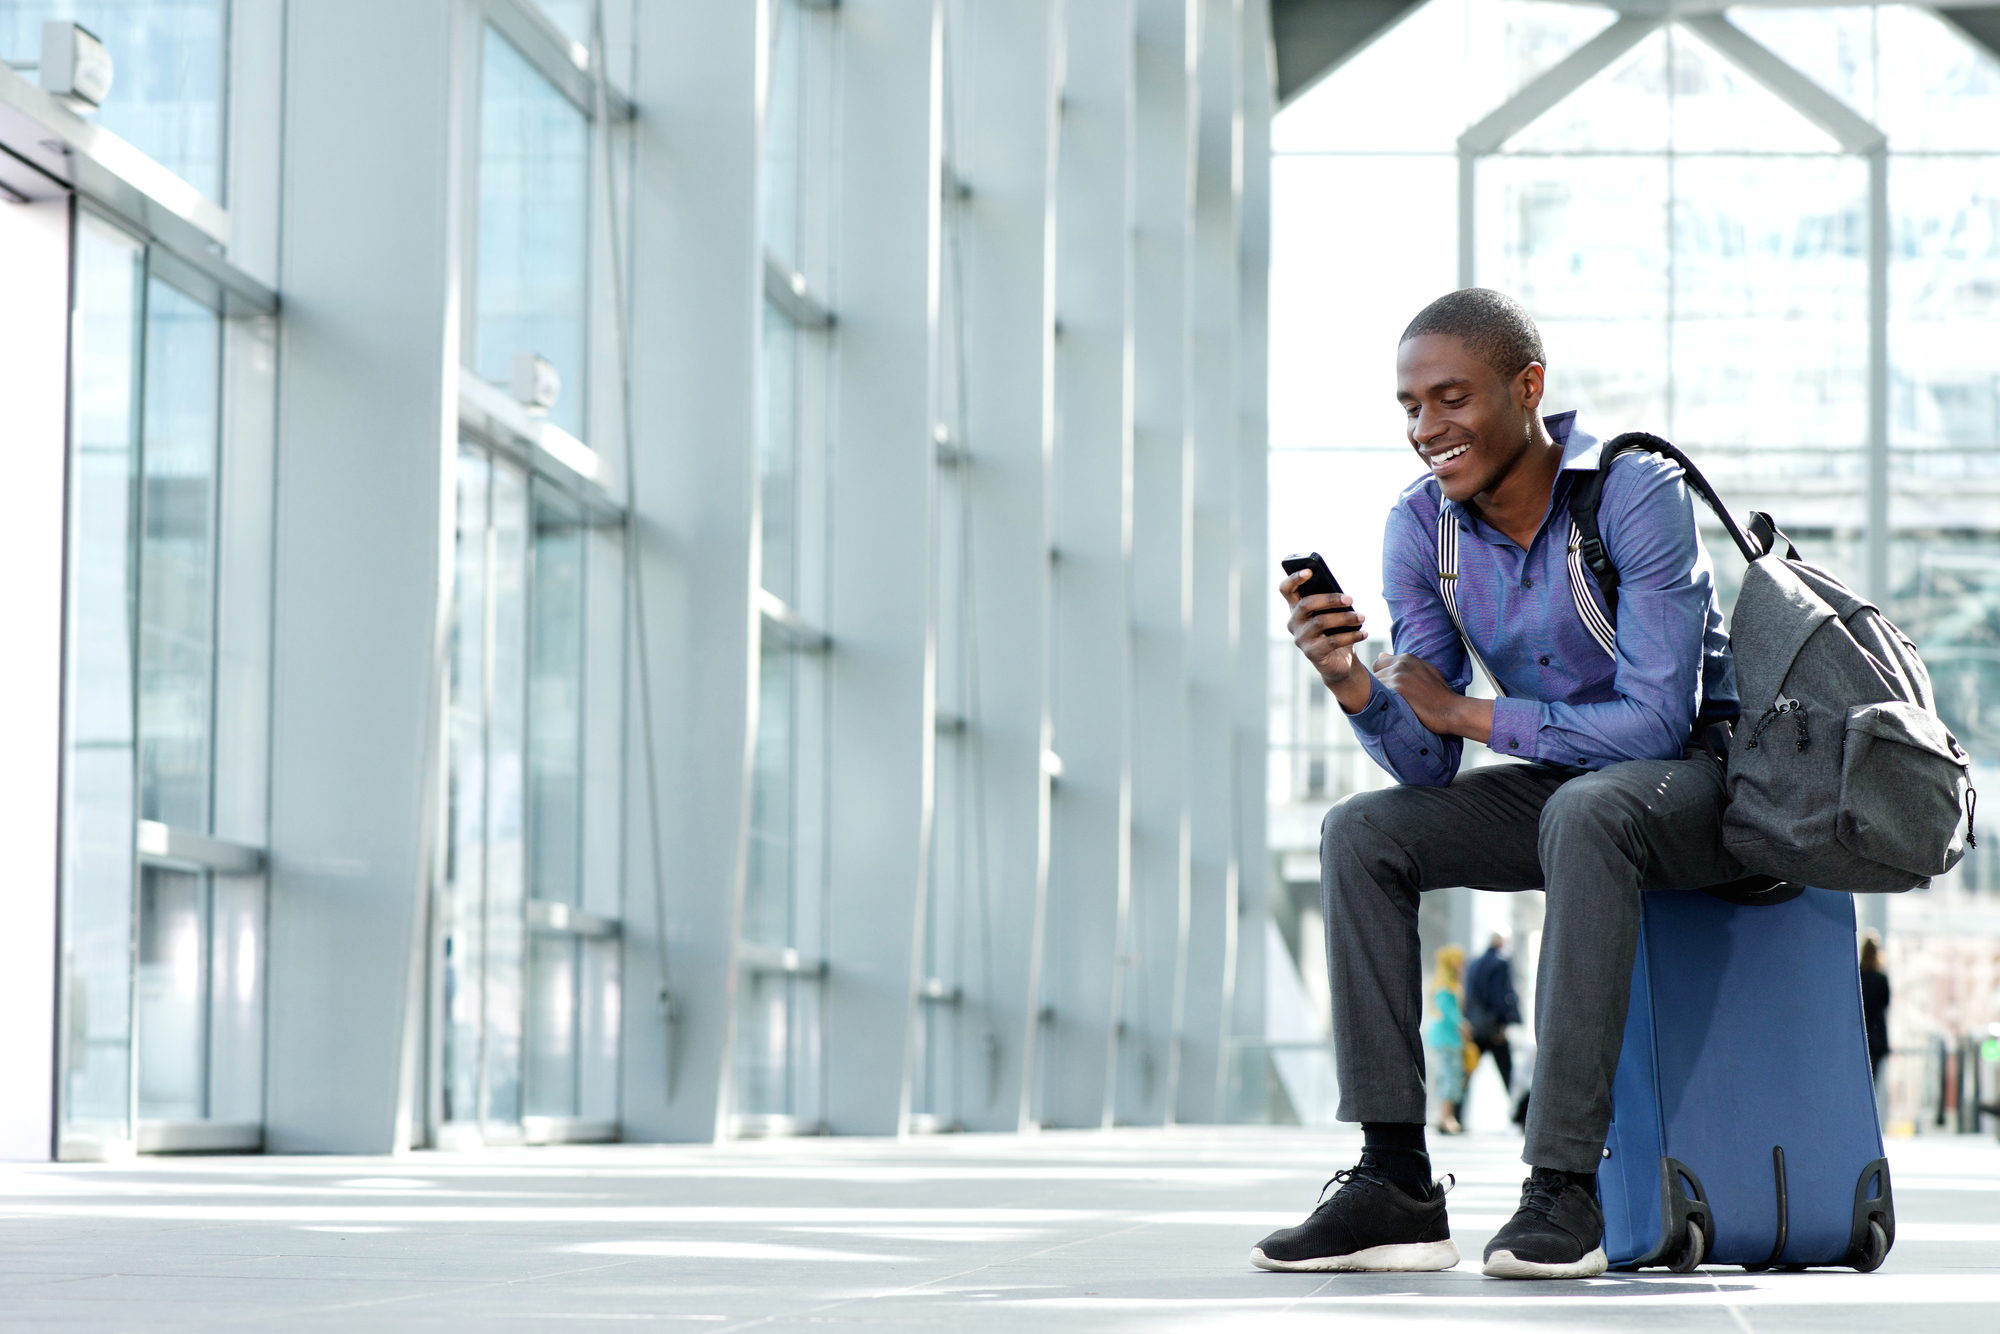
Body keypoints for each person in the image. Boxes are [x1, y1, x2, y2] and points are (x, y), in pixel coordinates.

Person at [1249, 289, 1740, 1281]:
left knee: (1588, 807)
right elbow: (1425, 760)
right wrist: (1350, 681)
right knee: (1360, 832)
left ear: (1526, 388)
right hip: (1570, 797)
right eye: (1408, 405)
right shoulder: (1420, 531)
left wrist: (1470, 712)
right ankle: (1394, 1180)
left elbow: (1653, 718)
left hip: (1698, 789)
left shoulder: (1631, 491)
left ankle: (1564, 1184)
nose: (1425, 428)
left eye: (1449, 398)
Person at [1464, 932, 1523, 1123]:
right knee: (1509, 1075)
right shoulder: (1500, 962)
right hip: (1494, 1029)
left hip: (1476, 1027)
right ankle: (1522, 1119)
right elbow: (1501, 994)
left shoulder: (1474, 963)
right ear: (1500, 942)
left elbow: (1469, 995)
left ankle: (1455, 1116)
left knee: (1467, 1071)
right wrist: (1505, 1022)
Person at [1425, 945, 1468, 1135]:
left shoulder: (1450, 983)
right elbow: (1446, 1010)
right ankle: (1445, 1118)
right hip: (1446, 1038)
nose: (1461, 965)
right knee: (1447, 1077)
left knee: (1452, 1077)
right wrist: (1461, 1024)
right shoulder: (1444, 985)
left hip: (1451, 1038)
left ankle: (1447, 1117)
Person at [1859, 931, 1890, 1122]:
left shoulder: (1857, 976)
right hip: (1877, 1036)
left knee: (1858, 1082)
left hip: (1859, 1034)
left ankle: (1858, 1120)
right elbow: (1885, 1005)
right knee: (1873, 1083)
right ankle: (1870, 1120)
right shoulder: (1881, 978)